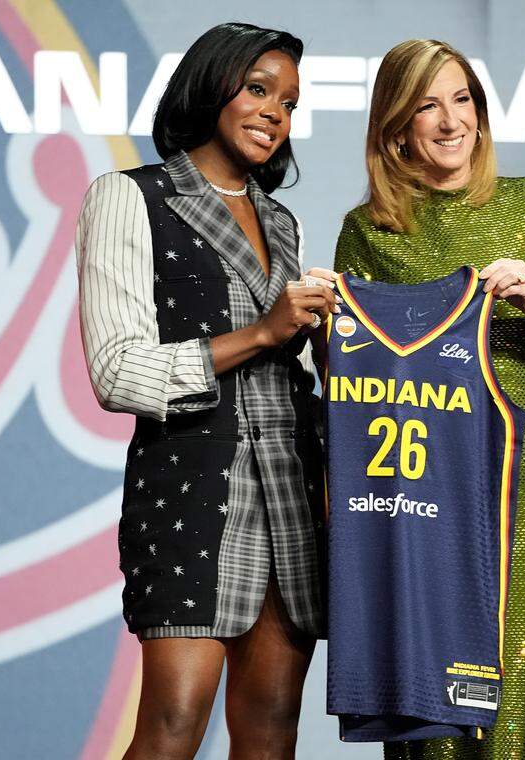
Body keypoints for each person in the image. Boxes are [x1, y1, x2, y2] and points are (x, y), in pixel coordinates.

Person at [75, 22, 336, 759]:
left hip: (289, 490)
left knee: (271, 729)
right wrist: (260, 331)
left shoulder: (282, 222)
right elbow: (117, 370)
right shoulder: (130, 197)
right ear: (211, 86)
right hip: (191, 485)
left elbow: (290, 363)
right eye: (258, 90)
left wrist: (325, 341)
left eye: (288, 101)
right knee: (172, 724)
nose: (274, 112)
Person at [332, 39, 525, 759]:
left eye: (462, 100)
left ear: (480, 115)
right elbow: (362, 378)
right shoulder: (369, 231)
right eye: (426, 105)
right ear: (396, 128)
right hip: (429, 480)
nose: (450, 121)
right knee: (436, 663)